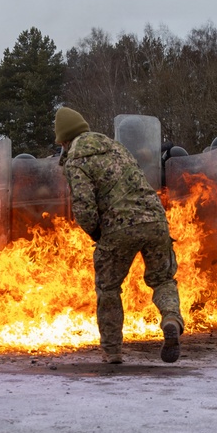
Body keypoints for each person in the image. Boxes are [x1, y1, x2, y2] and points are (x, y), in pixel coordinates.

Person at [54, 106, 184, 364]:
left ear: (64, 140)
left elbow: (83, 206)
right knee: (162, 279)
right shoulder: (115, 146)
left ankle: (112, 351)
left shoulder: (76, 159)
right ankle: (171, 318)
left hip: (118, 226)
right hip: (155, 219)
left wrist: (96, 232)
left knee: (109, 288)